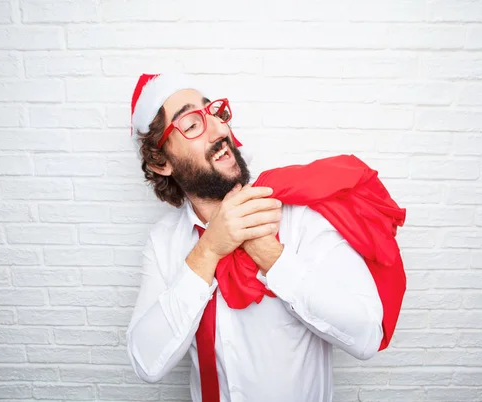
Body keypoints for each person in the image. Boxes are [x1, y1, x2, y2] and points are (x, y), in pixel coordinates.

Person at [126, 73, 400, 402]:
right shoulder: (163, 242)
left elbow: (367, 335)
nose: (219, 129)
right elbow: (145, 362)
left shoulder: (300, 218)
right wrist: (209, 249)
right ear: (160, 161)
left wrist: (271, 255)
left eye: (214, 113)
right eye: (192, 124)